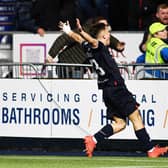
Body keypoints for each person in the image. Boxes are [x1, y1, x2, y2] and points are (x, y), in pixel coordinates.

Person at [58, 18, 168, 158]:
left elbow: (79, 40)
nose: (110, 36)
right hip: (116, 88)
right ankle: (151, 149)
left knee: (120, 123)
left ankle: (93, 139)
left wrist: (69, 31)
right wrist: (81, 31)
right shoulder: (99, 46)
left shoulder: (89, 48)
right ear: (103, 36)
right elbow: (91, 40)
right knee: (136, 118)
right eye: (108, 33)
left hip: (107, 90)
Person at [46, 16, 125, 78]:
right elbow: (68, 38)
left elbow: (80, 39)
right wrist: (51, 55)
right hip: (68, 65)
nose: (108, 32)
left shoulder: (92, 44)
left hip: (85, 70)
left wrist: (70, 32)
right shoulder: (96, 44)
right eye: (104, 27)